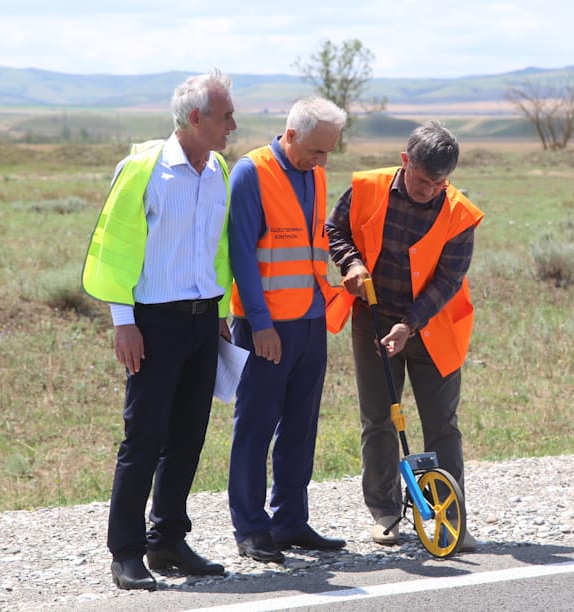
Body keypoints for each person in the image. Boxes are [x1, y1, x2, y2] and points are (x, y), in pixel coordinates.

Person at [81, 68, 236, 590]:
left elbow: (215, 250)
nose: (232, 124)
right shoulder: (143, 168)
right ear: (196, 118)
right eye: (225, 115)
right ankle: (126, 552)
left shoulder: (217, 168)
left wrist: (219, 318)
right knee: (143, 438)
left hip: (201, 323)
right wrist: (123, 323)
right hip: (152, 324)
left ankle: (167, 539)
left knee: (188, 436)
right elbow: (116, 249)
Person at [325, 120, 484, 550]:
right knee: (377, 421)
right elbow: (334, 229)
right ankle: (387, 514)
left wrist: (409, 324)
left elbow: (448, 281)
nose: (429, 190)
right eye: (422, 179)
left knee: (442, 426)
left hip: (433, 328)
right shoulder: (367, 188)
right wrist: (351, 263)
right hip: (372, 321)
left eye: (439, 183)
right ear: (404, 161)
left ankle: (449, 519)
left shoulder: (459, 213)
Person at [227, 96, 348, 564]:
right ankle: (252, 529)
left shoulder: (315, 173)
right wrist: (260, 324)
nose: (322, 161)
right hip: (266, 327)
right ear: (291, 134)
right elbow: (241, 256)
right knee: (255, 428)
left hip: (311, 322)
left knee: (301, 427)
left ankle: (290, 522)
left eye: (329, 153)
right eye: (317, 151)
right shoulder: (250, 172)